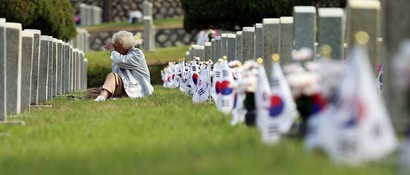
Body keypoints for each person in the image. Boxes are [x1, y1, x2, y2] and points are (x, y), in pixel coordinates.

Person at [93, 30, 154, 101]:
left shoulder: (137, 54)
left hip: (138, 88)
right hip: (124, 86)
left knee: (112, 75)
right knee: (90, 92)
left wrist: (112, 51)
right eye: (114, 46)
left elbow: (121, 61)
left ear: (126, 47)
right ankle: (110, 95)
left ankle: (101, 98)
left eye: (117, 47)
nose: (115, 49)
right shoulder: (118, 56)